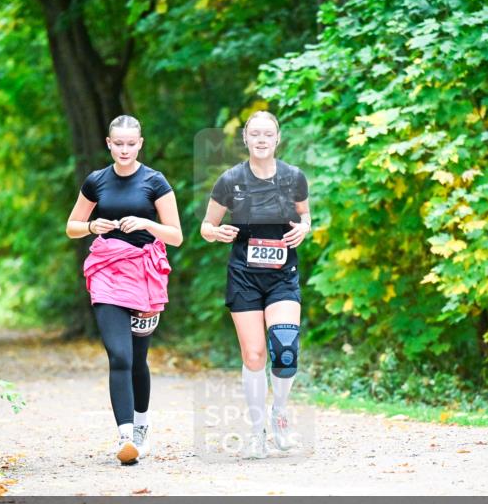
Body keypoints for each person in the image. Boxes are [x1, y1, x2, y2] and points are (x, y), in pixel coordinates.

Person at [66, 115, 183, 465]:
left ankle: (143, 424)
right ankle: (126, 436)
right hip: (105, 272)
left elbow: (175, 235)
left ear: (140, 144)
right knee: (119, 355)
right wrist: (91, 225)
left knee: (137, 359)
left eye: (131, 144)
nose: (125, 150)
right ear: (108, 143)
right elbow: (71, 227)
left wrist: (147, 223)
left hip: (145, 274)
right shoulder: (96, 181)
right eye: (118, 144)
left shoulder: (155, 182)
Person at [200, 111, 311, 459]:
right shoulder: (230, 180)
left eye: (268, 134)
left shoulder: (294, 178)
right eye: (255, 134)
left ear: (277, 139)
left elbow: (304, 215)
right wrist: (216, 233)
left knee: (285, 350)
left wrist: (305, 227)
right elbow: (206, 225)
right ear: (245, 139)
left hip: (282, 275)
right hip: (245, 277)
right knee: (254, 355)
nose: (261, 140)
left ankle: (279, 413)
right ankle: (256, 431)